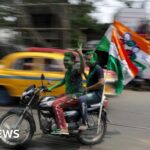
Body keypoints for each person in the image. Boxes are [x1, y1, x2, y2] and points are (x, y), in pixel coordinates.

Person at [47, 50, 85, 135]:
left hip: (75, 95)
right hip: (69, 94)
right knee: (53, 99)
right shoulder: (67, 72)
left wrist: (81, 55)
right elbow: (62, 82)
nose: (65, 62)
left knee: (56, 104)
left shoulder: (75, 70)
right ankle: (58, 122)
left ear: (73, 61)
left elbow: (82, 69)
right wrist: (50, 88)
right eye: (64, 60)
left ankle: (63, 128)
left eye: (67, 60)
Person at [78, 50, 105, 130]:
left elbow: (101, 83)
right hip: (91, 93)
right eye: (86, 59)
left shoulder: (98, 69)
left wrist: (88, 88)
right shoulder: (92, 68)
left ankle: (84, 122)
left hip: (97, 94)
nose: (87, 61)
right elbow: (90, 80)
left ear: (95, 59)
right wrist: (84, 74)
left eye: (89, 59)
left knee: (81, 99)